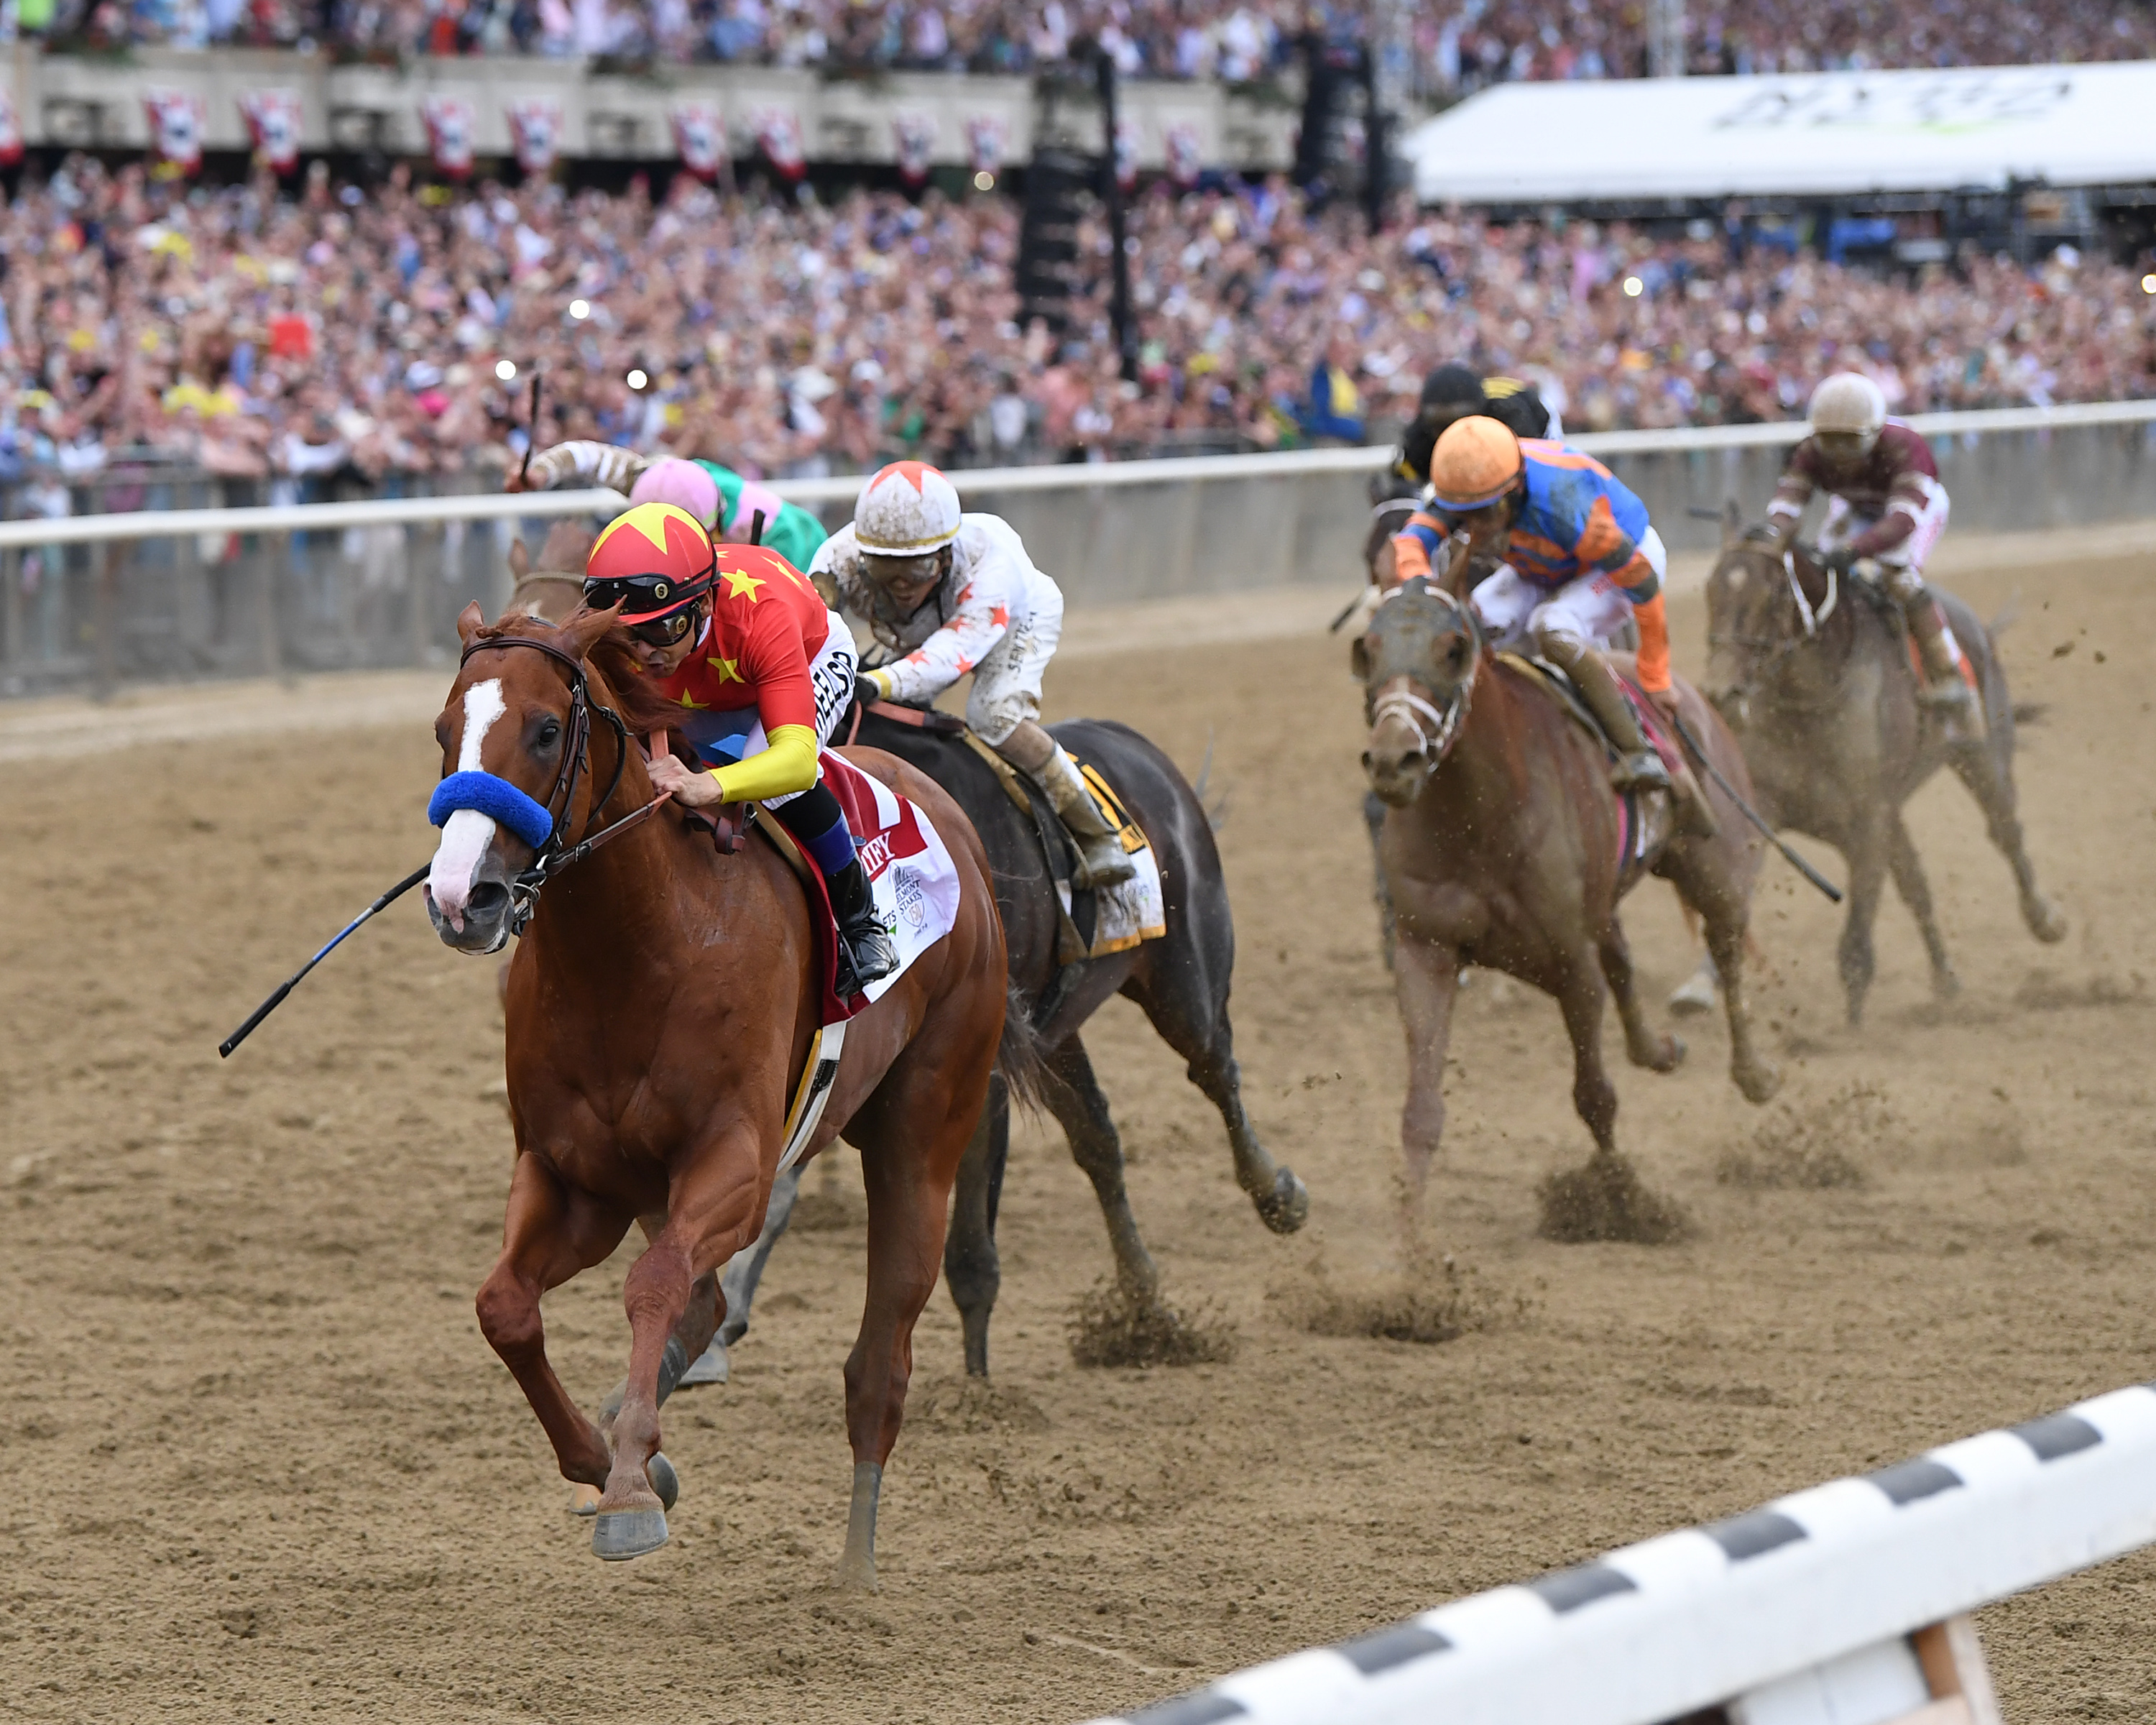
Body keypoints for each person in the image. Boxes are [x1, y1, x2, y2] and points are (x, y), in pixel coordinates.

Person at [582, 500, 899, 992]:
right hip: (707, 690)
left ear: (704, 605)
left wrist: (708, 785)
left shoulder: (760, 616)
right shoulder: (622, 626)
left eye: (662, 630)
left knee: (766, 774)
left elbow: (794, 762)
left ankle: (861, 922)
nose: (644, 653)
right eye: (627, 638)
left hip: (807, 659)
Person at [810, 460, 1137, 889]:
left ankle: (1097, 835)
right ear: (863, 554)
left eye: (917, 571)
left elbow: (953, 653)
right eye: (887, 572)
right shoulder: (839, 558)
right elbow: (809, 621)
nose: (903, 586)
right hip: (929, 630)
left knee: (993, 715)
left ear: (946, 555)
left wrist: (877, 682)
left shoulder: (991, 563)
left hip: (1013, 622)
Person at [1391, 417, 1715, 834]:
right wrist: (1420, 589)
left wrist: (1656, 676)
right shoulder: (1468, 486)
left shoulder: (1565, 505)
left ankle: (1640, 751)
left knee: (1552, 625)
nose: (1476, 529)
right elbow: (1410, 543)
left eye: (1487, 515)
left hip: (1622, 562)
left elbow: (1645, 587)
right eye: (1463, 518)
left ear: (1516, 491)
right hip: (1544, 565)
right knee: (1465, 627)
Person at [1764, 372, 1978, 740]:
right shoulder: (1809, 451)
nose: (1840, 455)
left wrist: (1853, 550)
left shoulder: (1906, 448)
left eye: (1850, 442)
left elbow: (1902, 521)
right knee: (1816, 571)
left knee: (1898, 575)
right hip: (1857, 508)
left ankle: (1948, 669)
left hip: (1911, 512)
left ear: (1875, 433)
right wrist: (1769, 540)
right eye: (1830, 441)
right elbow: (1786, 507)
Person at [512, 443, 827, 573]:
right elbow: (591, 457)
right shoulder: (664, 480)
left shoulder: (782, 543)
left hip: (808, 558)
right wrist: (541, 471)